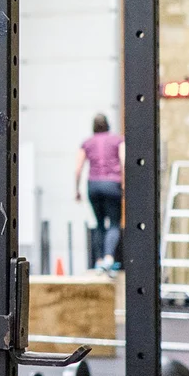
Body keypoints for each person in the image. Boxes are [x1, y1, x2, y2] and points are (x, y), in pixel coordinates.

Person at [74, 113, 125, 271]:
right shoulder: (117, 140)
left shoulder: (87, 143)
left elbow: (78, 168)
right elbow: (123, 160)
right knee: (114, 223)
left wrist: (77, 189)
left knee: (99, 223)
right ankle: (109, 257)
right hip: (112, 184)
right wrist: (124, 183)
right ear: (108, 125)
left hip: (94, 185)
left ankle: (99, 260)